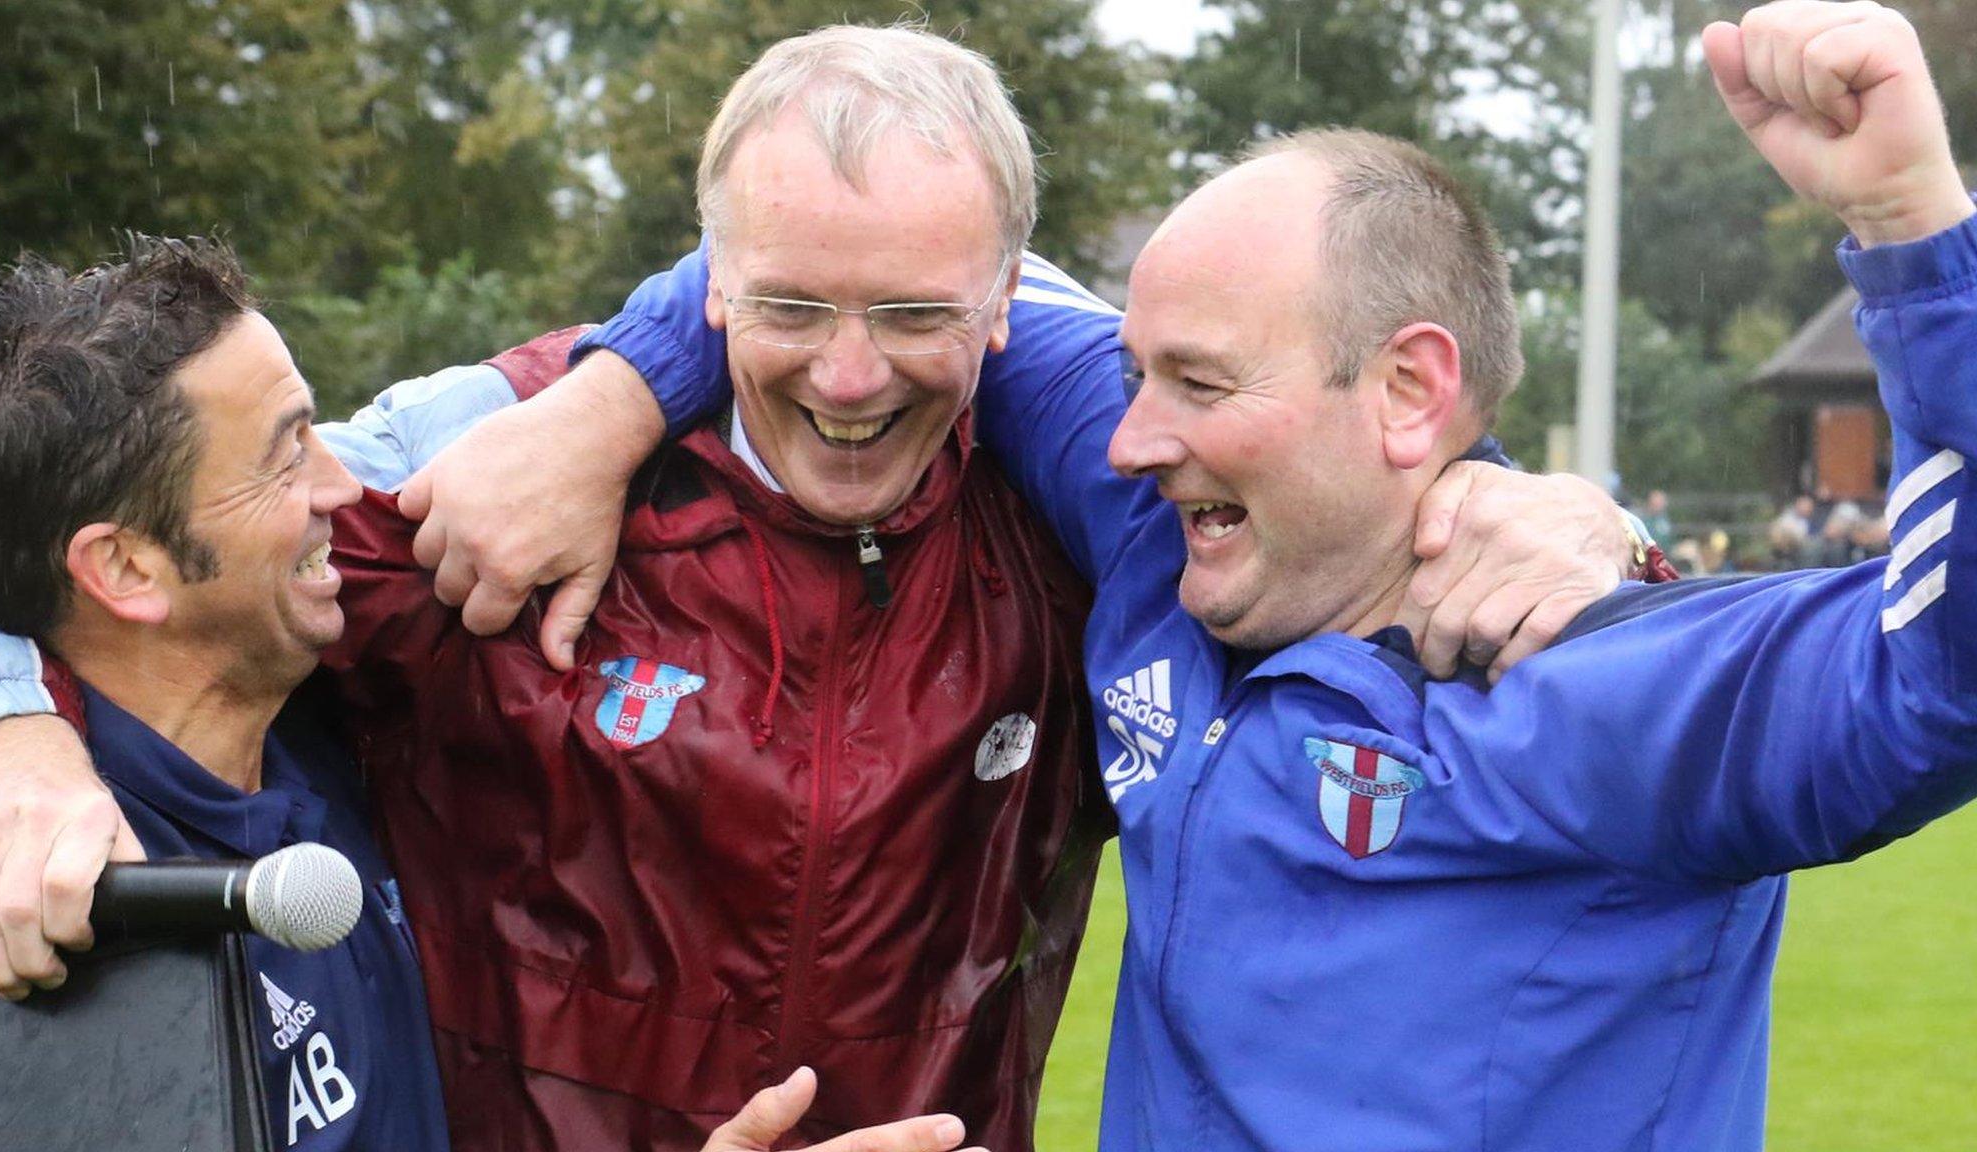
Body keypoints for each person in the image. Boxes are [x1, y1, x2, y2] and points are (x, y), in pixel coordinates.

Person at [0, 25, 1638, 1152]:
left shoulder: (1084, 523)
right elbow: (58, 523)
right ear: (704, 286)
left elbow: (1334, 488)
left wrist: (1517, 505)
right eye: (787, 309)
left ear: (1004, 310)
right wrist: (0, 735)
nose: (843, 377)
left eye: (909, 318)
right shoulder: (487, 485)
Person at [555, 2, 1977, 1147]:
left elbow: (1942, 682)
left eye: (1197, 380)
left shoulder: (1600, 676)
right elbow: (876, 268)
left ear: (1411, 392)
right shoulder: (1158, 540)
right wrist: (607, 397)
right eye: (1130, 370)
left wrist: (1917, 228)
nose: (1125, 432)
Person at [0, 238, 451, 1150]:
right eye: (286, 456)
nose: (343, 485)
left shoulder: (327, 729)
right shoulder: (35, 933)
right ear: (127, 566)